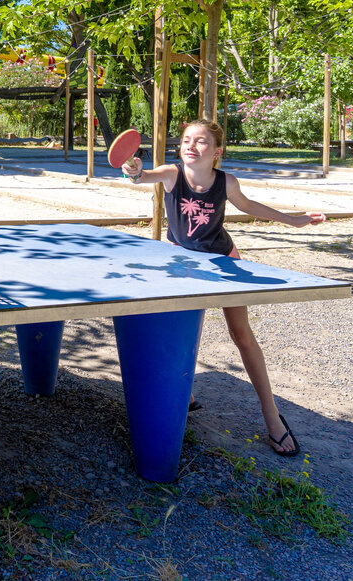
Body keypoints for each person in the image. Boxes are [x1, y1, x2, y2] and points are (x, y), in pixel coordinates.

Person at [121, 118, 325, 457]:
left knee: (242, 334)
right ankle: (182, 395)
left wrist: (295, 219)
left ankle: (272, 416)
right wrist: (132, 169)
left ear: (216, 152)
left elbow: (250, 207)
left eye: (200, 141)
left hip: (224, 261)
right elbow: (140, 177)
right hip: (184, 266)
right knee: (185, 329)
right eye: (187, 139)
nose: (191, 145)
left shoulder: (226, 182)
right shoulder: (172, 174)